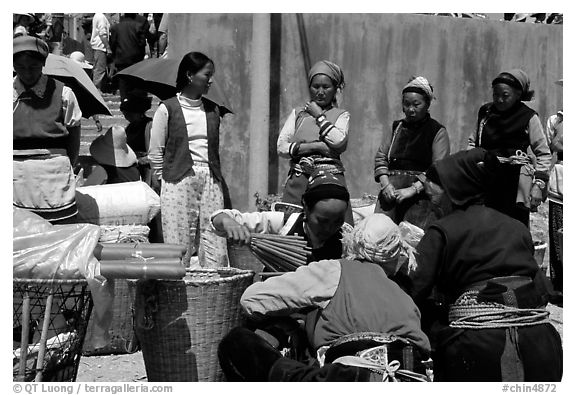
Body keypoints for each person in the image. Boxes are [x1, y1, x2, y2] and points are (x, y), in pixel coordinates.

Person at [217, 213, 431, 382]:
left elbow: (252, 300)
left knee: (237, 342)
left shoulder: (335, 270)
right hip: (410, 379)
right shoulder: (405, 298)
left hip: (348, 378)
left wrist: (295, 316)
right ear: (395, 256)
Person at [408, 148, 562, 381]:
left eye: (436, 189)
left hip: (474, 348)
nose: (430, 195)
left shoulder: (443, 231)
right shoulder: (517, 228)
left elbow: (414, 290)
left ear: (455, 188)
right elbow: (542, 293)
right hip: (541, 344)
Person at [148, 51, 231, 268]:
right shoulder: (167, 109)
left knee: (215, 240)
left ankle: (215, 290)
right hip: (178, 179)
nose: (210, 80)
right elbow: (156, 151)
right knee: (178, 242)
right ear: (190, 75)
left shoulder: (213, 110)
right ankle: (176, 294)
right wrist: (160, 177)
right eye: (207, 75)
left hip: (210, 179)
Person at [467, 69, 551, 227]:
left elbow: (544, 154)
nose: (499, 99)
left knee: (512, 232)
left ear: (518, 94)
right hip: (485, 180)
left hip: (514, 184)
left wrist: (538, 185)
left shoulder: (528, 117)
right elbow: (473, 142)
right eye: (495, 95)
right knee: (482, 230)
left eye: (505, 95)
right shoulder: (486, 112)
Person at [13, 35, 82, 224]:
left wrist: (71, 163)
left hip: (53, 173)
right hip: (16, 174)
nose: (27, 73)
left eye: (33, 67)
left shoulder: (63, 93)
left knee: (58, 227)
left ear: (43, 64)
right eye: (20, 67)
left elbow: (74, 132)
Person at [212, 170, 351, 263]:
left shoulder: (347, 237)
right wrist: (229, 223)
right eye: (322, 221)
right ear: (306, 208)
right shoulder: (283, 223)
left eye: (338, 221)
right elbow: (218, 218)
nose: (330, 228)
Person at [277, 60, 353, 225]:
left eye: (326, 87)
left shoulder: (341, 115)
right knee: (293, 226)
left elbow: (338, 140)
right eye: (315, 87)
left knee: (333, 227)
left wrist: (319, 116)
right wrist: (316, 146)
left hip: (330, 179)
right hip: (299, 179)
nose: (320, 92)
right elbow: (281, 147)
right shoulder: (298, 114)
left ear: (335, 89)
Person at [374, 76, 450, 230]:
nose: (410, 109)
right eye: (406, 104)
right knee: (379, 236)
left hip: (421, 197)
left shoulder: (437, 131)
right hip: (391, 194)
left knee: (413, 242)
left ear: (427, 104)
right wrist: (385, 184)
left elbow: (438, 167)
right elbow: (381, 157)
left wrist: (413, 189)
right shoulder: (397, 128)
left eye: (416, 104)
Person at [545, 79, 563, 302]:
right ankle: (560, 287)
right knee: (559, 236)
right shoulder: (556, 120)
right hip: (561, 187)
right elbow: (552, 147)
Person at [109, 13, 148, 100]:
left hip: (121, 59)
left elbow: (113, 44)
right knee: (135, 83)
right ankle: (135, 102)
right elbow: (142, 44)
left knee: (123, 84)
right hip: (135, 59)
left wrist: (114, 57)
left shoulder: (115, 28)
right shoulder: (138, 26)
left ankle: (125, 102)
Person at [121, 90, 154, 184]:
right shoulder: (130, 127)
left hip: (147, 168)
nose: (127, 117)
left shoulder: (149, 126)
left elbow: (154, 152)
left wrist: (140, 160)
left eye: (129, 114)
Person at [90, 13, 111, 93]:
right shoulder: (101, 17)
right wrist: (108, 47)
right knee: (99, 69)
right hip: (100, 46)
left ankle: (100, 88)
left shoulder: (98, 16)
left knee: (98, 68)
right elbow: (102, 34)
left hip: (98, 46)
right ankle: (97, 90)